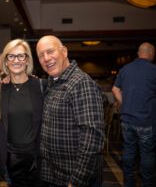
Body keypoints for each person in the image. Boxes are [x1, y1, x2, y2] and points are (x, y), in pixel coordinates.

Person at [36, 35, 104, 187]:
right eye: (41, 55)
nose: (46, 58)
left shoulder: (81, 83)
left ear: (64, 52)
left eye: (50, 51)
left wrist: (77, 180)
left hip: (73, 178)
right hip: (53, 174)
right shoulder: (53, 82)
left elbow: (92, 137)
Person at [0, 39, 45, 187]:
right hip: (10, 160)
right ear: (6, 61)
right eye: (11, 56)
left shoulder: (40, 86)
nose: (16, 60)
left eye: (21, 56)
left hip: (35, 159)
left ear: (27, 60)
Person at [112, 42, 156, 187]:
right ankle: (147, 183)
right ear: (151, 54)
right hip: (146, 120)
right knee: (147, 154)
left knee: (129, 151)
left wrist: (126, 104)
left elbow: (115, 89)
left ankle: (129, 182)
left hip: (127, 119)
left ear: (138, 53)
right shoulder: (153, 70)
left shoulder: (125, 69)